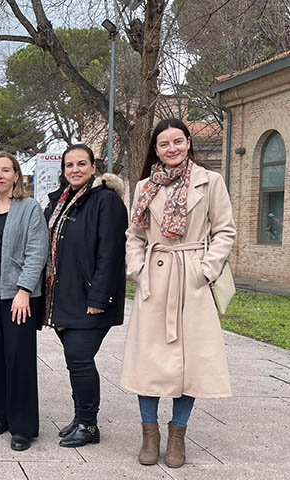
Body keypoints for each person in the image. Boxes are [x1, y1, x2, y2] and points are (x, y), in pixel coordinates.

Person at [121, 118, 236, 468]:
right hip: (156, 279)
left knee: (191, 364)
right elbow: (135, 235)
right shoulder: (143, 187)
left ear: (188, 143)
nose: (171, 149)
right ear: (155, 149)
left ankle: (177, 435)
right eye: (163, 144)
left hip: (192, 278)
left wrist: (205, 270)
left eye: (177, 142)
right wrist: (138, 271)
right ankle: (149, 433)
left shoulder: (210, 181)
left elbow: (225, 231)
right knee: (149, 360)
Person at [44, 143, 127, 448]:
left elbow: (111, 254)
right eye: (69, 165)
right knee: (75, 358)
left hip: (91, 297)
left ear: (94, 167)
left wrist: (98, 298)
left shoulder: (106, 201)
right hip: (65, 294)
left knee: (79, 357)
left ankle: (89, 425)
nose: (75, 170)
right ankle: (81, 418)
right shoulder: (62, 201)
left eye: (81, 164)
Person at [0, 151, 48, 451]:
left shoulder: (29, 208)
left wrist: (24, 290)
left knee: (19, 356)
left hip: (18, 294)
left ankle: (22, 427)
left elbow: (36, 251)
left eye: (6, 170)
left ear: (17, 176)